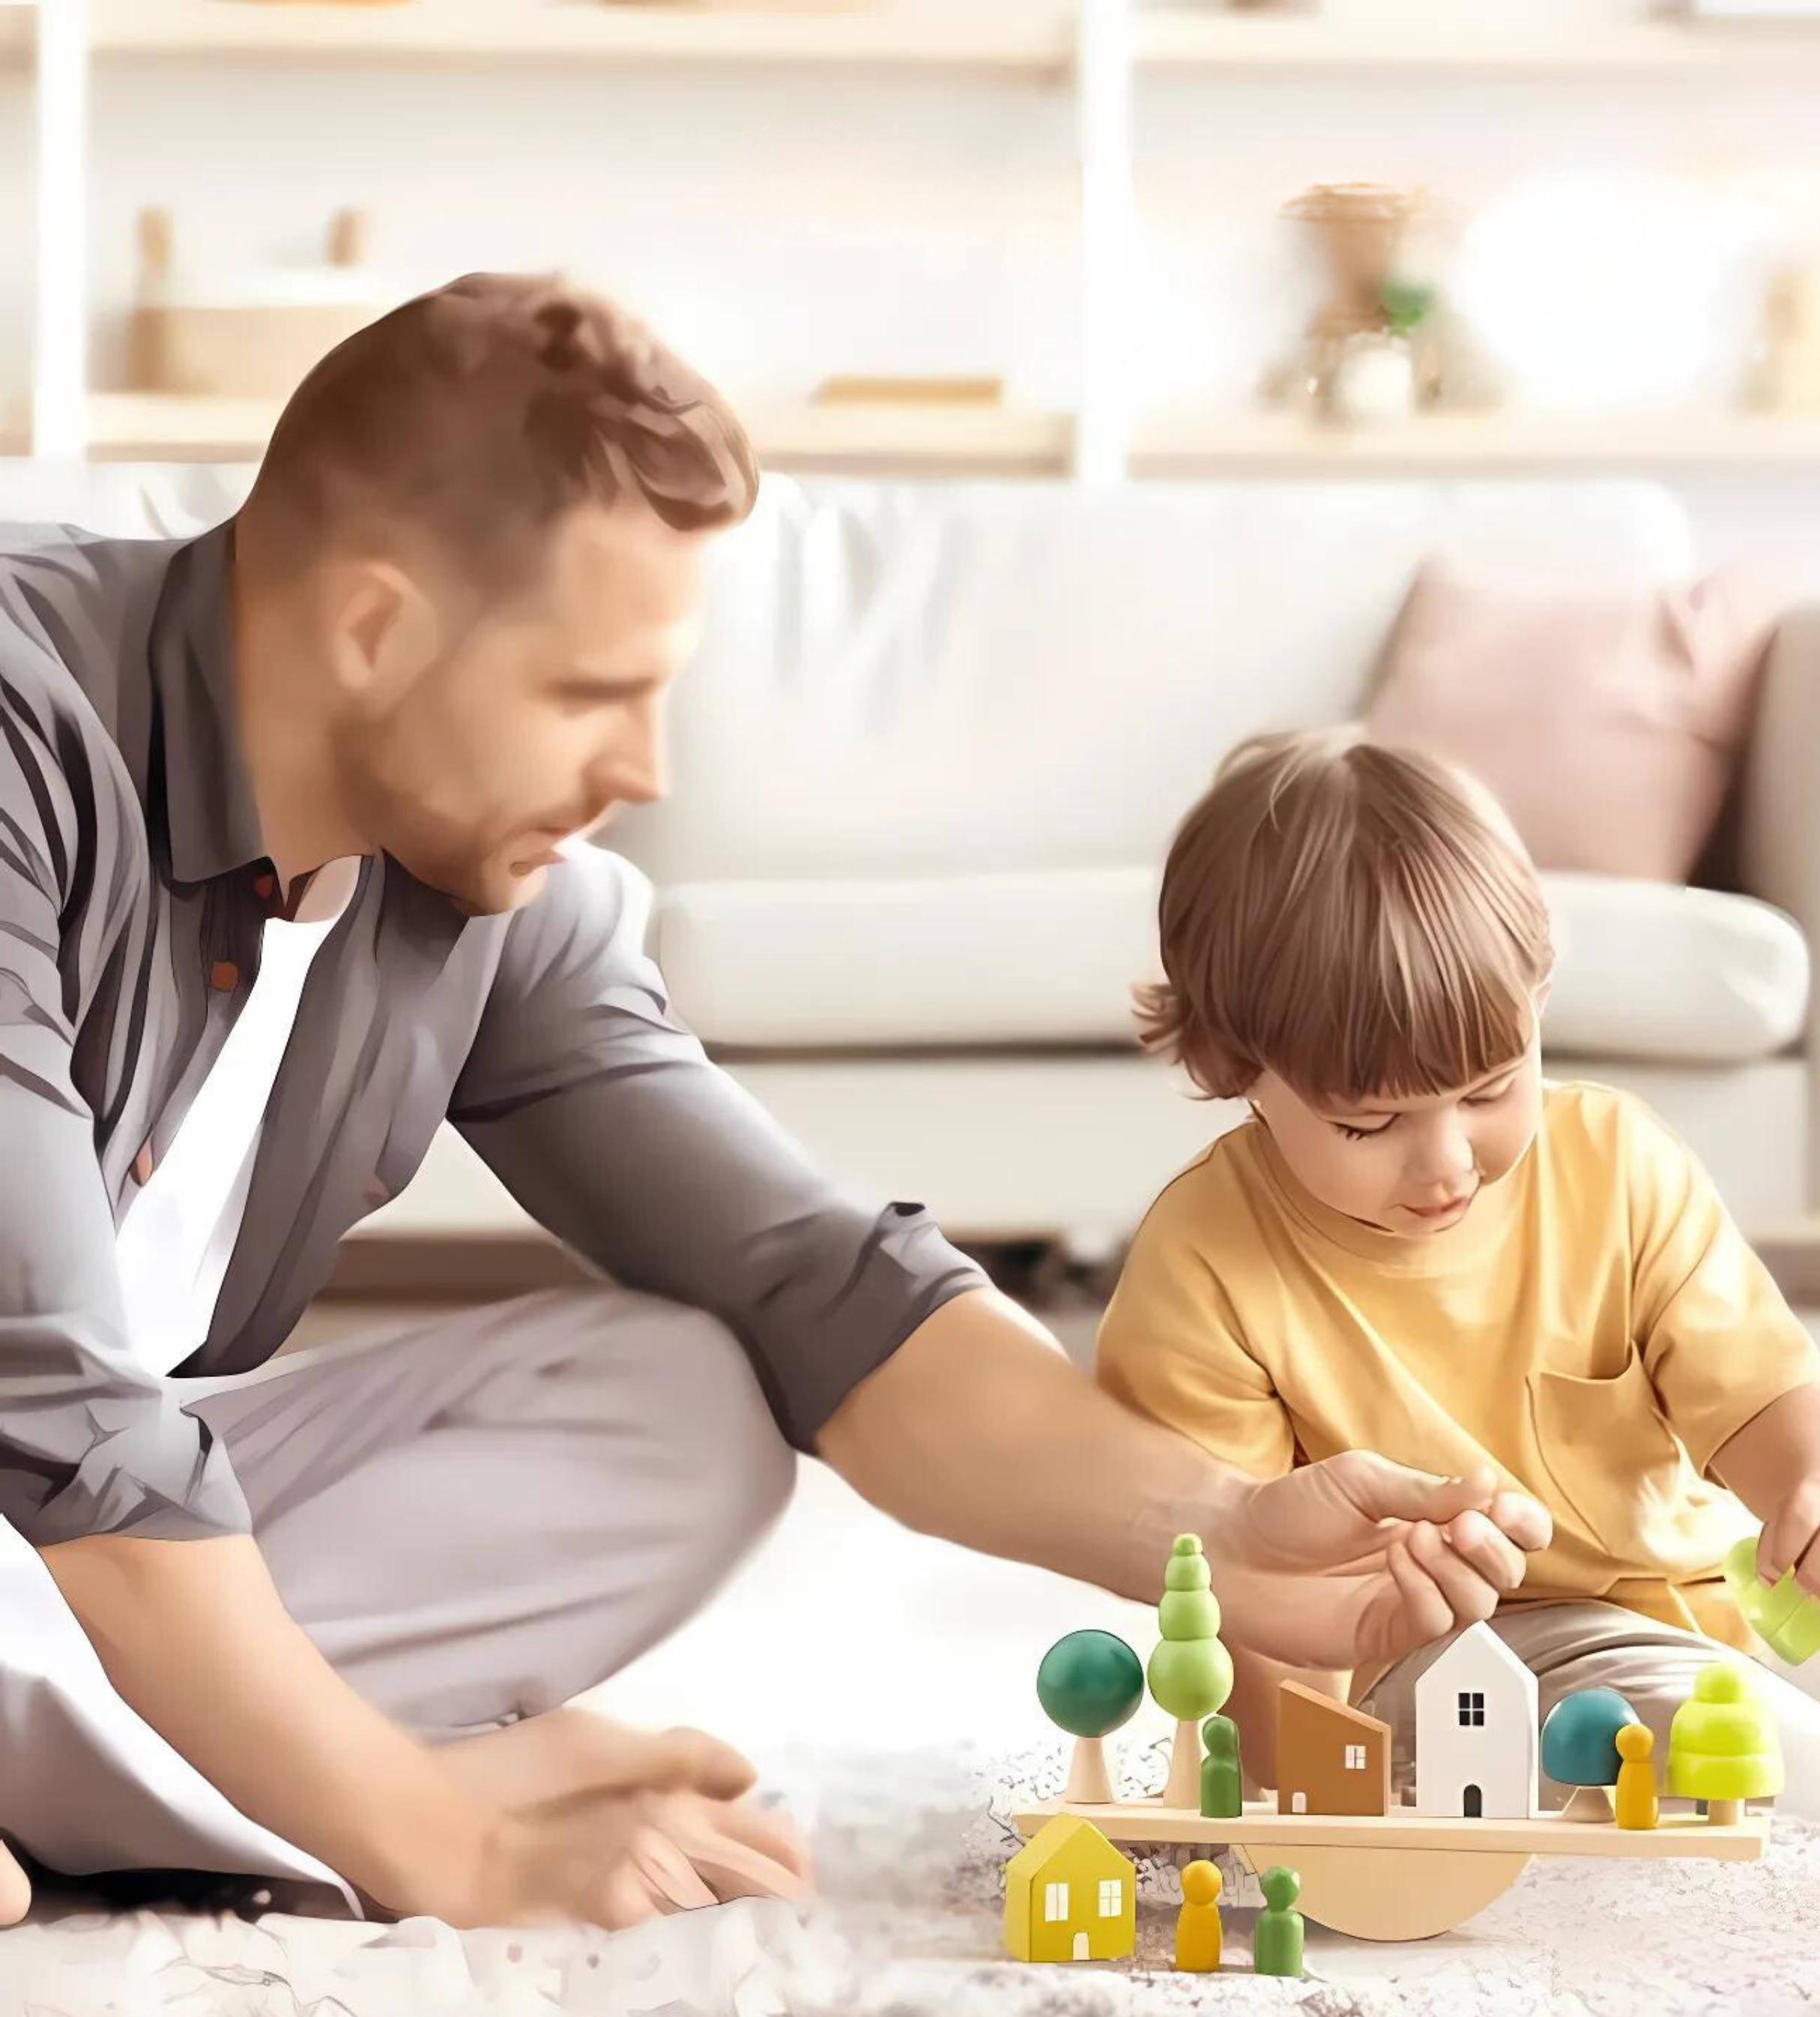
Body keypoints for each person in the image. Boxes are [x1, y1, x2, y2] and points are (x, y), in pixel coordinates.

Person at [0, 279, 1550, 1932]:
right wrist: (452, 1853)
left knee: (688, 1395)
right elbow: (67, 1418)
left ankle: (167, 1784)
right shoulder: (27, 728)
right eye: (592, 693)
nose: (647, 769)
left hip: (53, 1550)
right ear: (374, 629)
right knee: (110, 1517)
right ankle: (316, 1789)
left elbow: (818, 1285)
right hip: (43, 1486)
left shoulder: (488, 901)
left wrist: (1221, 1531)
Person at [1096, 728, 1820, 1827]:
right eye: (1368, 1122)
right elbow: (1251, 1649)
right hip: (1440, 1661)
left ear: (1540, 998)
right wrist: (1318, 1774)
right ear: (1231, 1069)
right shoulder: (1203, 1269)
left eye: (1491, 1089)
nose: (1447, 1164)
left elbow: (1763, 1394)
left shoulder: (1617, 1161)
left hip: (1701, 1596)